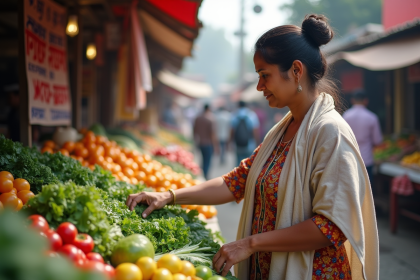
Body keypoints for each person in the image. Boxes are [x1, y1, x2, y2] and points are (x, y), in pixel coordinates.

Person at [126, 14, 379, 280]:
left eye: (264, 75)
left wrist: (250, 243)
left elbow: (330, 227)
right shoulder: (283, 130)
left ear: (296, 70)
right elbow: (236, 182)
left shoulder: (330, 132)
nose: (259, 87)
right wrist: (169, 196)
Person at [343, 90, 383, 184]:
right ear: (366, 101)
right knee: (367, 191)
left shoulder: (346, 116)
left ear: (352, 100)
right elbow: (377, 141)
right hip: (366, 159)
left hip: (349, 157)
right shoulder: (372, 117)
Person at [193, 104, 219, 179]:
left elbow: (194, 130)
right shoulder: (211, 119)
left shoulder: (198, 118)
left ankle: (202, 174)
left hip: (200, 142)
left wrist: (195, 140)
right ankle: (205, 175)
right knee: (207, 161)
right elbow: (212, 134)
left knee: (202, 159)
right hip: (208, 143)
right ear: (209, 109)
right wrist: (216, 146)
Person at [231, 101, 260, 166]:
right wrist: (258, 143)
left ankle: (238, 175)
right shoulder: (251, 115)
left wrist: (230, 142)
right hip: (250, 144)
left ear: (238, 106)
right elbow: (255, 131)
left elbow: (232, 131)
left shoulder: (234, 115)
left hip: (237, 144)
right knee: (249, 163)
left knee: (239, 163)